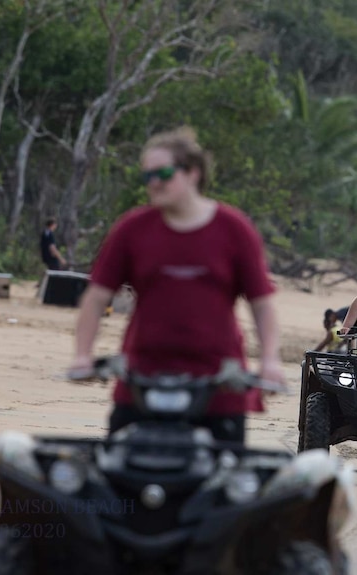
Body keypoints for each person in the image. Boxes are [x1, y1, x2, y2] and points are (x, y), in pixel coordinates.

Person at [68, 126, 283, 442]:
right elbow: (97, 296)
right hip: (140, 381)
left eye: (163, 174)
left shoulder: (234, 228)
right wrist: (82, 355)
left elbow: (262, 305)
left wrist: (270, 361)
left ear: (192, 173)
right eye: (147, 176)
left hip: (219, 386)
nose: (154, 183)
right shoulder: (131, 229)